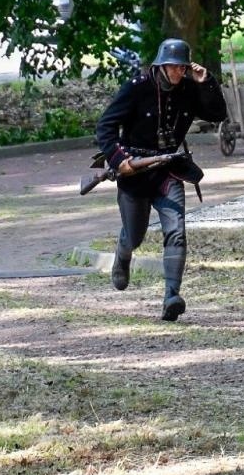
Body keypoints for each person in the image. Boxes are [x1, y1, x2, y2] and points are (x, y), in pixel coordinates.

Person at [95, 38, 226, 321]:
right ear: (162, 65)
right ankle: (123, 252)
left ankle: (171, 296)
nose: (179, 72)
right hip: (136, 173)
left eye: (183, 67)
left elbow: (218, 114)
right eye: (174, 67)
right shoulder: (137, 87)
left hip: (169, 169)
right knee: (135, 235)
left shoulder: (191, 88)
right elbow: (105, 128)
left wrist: (207, 82)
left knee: (176, 229)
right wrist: (120, 161)